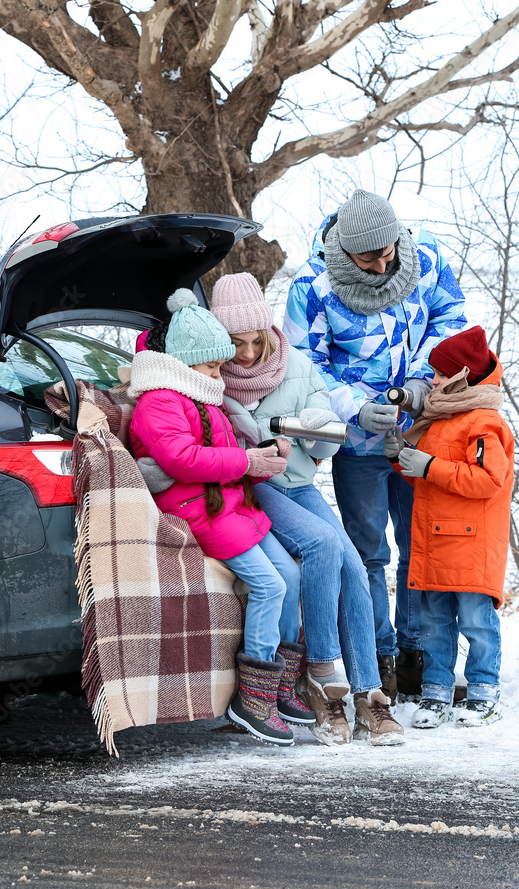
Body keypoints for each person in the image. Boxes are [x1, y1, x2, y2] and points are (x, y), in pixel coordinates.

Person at [284, 189, 466, 702]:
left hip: (421, 431)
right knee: (368, 552)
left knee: (418, 545)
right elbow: (303, 365)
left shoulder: (425, 254)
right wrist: (351, 407)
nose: (383, 262)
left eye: (388, 251)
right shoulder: (310, 286)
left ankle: (416, 653)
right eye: (370, 257)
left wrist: (424, 383)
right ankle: (379, 654)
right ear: (343, 250)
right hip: (358, 446)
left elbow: (453, 321)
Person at [210, 272, 404, 747]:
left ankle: (368, 694)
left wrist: (318, 431)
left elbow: (327, 436)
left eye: (256, 341)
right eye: (236, 343)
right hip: (258, 486)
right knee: (319, 544)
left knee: (355, 567)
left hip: (300, 483)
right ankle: (321, 678)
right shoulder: (212, 376)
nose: (249, 354)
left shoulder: (294, 364)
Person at [129, 288, 315, 746]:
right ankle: (253, 697)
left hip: (230, 504)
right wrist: (249, 464)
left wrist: (263, 454)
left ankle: (280, 684)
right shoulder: (161, 400)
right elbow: (183, 460)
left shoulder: (201, 397)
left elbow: (225, 452)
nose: (220, 374)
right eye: (212, 366)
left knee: (289, 577)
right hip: (199, 510)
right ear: (184, 362)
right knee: (270, 585)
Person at [384, 326, 513, 727]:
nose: (433, 381)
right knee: (434, 624)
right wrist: (402, 458)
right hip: (436, 542)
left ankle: (483, 693)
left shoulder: (485, 423)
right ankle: (436, 692)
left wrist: (430, 466)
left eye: (440, 374)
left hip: (472, 546)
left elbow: (488, 481)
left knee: (477, 622)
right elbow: (427, 478)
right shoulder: (441, 420)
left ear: (462, 376)